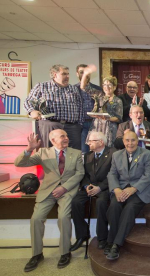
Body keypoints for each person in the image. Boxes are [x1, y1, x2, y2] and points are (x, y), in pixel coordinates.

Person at [14, 130, 84, 271]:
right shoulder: (43, 153)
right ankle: (37, 254)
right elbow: (19, 163)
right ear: (53, 140)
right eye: (62, 136)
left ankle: (65, 252)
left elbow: (80, 173)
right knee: (36, 219)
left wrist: (64, 188)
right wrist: (29, 149)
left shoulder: (75, 153)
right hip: (48, 192)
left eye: (66, 135)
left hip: (67, 191)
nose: (66, 138)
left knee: (63, 217)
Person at [105, 131, 150, 260]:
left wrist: (134, 189)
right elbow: (112, 174)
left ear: (138, 141)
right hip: (121, 190)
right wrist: (116, 189)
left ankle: (115, 244)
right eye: (127, 140)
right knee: (114, 206)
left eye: (133, 140)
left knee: (129, 209)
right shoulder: (116, 155)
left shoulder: (147, 154)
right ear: (123, 141)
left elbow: (148, 175)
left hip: (139, 191)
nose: (130, 143)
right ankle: (112, 240)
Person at [70, 131, 116, 252]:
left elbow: (114, 174)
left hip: (104, 187)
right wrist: (86, 186)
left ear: (101, 142)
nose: (88, 143)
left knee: (101, 203)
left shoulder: (113, 153)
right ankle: (82, 235)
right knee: (75, 202)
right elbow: (83, 174)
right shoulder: (88, 155)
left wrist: (100, 187)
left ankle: (102, 237)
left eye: (91, 141)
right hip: (90, 187)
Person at [24, 64, 84, 150]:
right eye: (64, 74)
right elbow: (28, 101)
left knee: (73, 154)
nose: (67, 76)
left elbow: (80, 107)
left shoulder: (73, 89)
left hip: (72, 127)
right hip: (50, 125)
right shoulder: (42, 87)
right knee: (49, 153)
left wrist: (79, 125)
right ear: (54, 74)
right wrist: (32, 111)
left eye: (68, 74)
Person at [86, 76, 123, 148]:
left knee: (108, 150)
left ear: (114, 87)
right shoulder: (99, 97)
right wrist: (85, 74)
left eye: (109, 85)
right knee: (95, 147)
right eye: (105, 85)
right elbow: (85, 88)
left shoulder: (118, 100)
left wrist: (107, 118)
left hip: (109, 129)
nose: (107, 87)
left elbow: (118, 118)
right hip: (97, 127)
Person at [75, 64, 103, 154]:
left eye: (87, 72)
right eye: (81, 72)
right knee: (83, 151)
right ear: (76, 74)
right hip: (80, 124)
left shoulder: (97, 89)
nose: (85, 74)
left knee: (96, 150)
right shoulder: (73, 89)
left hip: (95, 124)